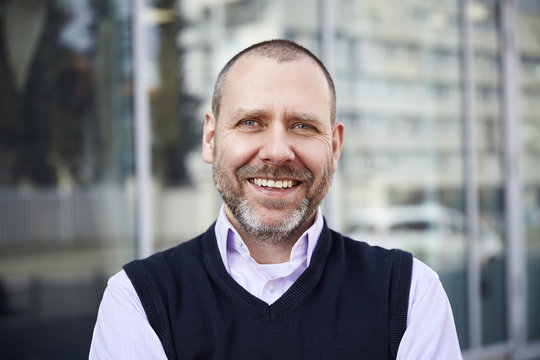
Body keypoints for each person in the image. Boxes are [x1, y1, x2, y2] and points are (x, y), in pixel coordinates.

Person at [89, 39, 462, 359]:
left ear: (334, 146)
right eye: (251, 122)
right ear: (210, 138)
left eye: (303, 126)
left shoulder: (410, 295)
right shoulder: (139, 300)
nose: (278, 151)